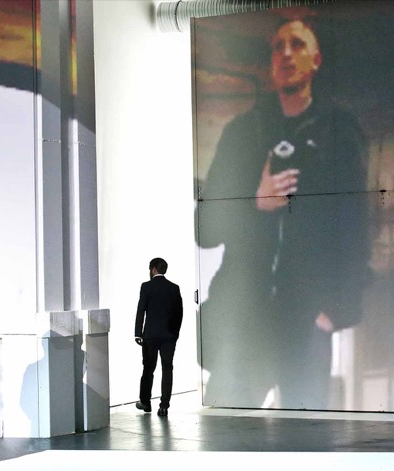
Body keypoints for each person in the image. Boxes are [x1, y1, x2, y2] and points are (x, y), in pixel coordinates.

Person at [197, 17, 371, 408]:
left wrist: (336, 310)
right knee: (225, 431)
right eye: (278, 46)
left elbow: (356, 226)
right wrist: (253, 203)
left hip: (308, 320)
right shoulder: (242, 133)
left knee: (306, 437)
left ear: (316, 60)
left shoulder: (339, 131)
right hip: (245, 320)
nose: (286, 53)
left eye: (297, 44)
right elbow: (204, 229)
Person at [134, 257, 184, 417]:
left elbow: (141, 310)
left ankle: (145, 402)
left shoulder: (146, 286)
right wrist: (175, 333)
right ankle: (164, 405)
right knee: (167, 368)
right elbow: (179, 313)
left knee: (148, 368)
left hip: (150, 336)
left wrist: (138, 333)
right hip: (169, 336)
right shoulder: (174, 288)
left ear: (153, 269)